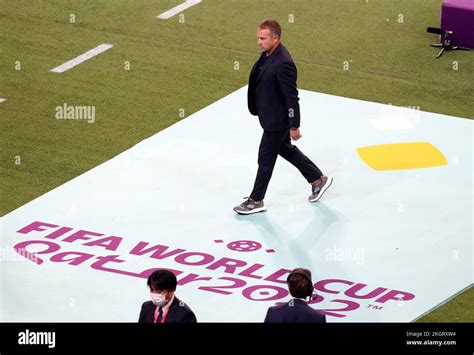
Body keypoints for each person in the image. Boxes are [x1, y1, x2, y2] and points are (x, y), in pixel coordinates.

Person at [234, 19, 333, 215]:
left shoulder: (284, 63)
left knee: (265, 158)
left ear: (275, 38)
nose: (259, 42)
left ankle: (256, 200)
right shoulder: (268, 54)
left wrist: (294, 125)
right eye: (258, 38)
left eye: (263, 38)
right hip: (269, 116)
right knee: (285, 149)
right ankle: (318, 179)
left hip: (277, 121)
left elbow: (291, 97)